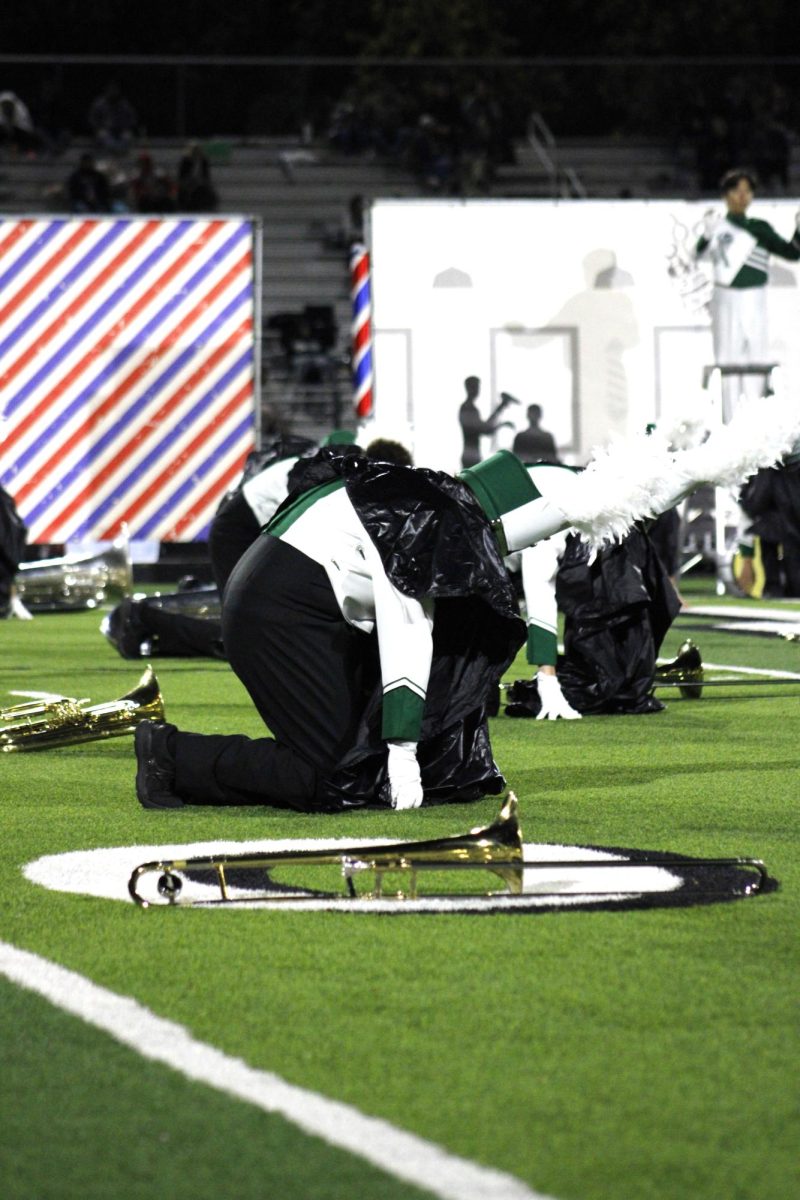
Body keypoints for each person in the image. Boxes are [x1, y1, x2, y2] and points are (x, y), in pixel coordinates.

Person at [132, 396, 799, 813]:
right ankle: (173, 756)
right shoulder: (428, 516)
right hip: (278, 607)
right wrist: (398, 747)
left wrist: (703, 465)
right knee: (333, 778)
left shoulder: (454, 505)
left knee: (359, 763)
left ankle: (408, 761)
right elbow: (406, 624)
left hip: (310, 599)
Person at [694, 169, 800, 421]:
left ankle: (755, 423)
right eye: (736, 191)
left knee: (756, 356)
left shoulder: (760, 228)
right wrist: (707, 235)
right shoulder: (719, 227)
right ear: (725, 195)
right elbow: (698, 255)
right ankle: (729, 421)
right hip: (725, 296)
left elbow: (792, 253)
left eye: (747, 191)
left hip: (755, 296)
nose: (742, 196)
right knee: (727, 358)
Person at [459, 377, 517, 468]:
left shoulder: (469, 408)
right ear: (468, 388)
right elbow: (485, 429)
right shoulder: (468, 408)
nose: (477, 390)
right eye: (475, 387)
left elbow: (485, 429)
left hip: (472, 454)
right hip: (471, 456)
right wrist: (501, 409)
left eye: (478, 387)